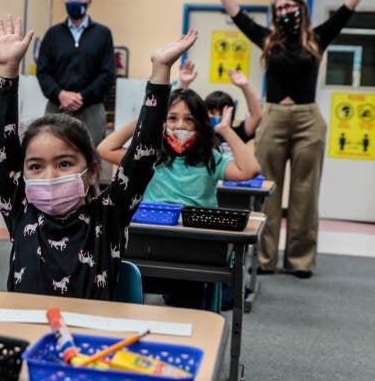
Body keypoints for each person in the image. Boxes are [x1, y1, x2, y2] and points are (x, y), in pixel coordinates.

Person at [201, 0, 375, 278]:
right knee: (268, 190)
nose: (284, 12)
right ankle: (263, 259)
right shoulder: (267, 39)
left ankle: (300, 260)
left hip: (308, 118)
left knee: (306, 191)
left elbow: (349, 8)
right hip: (273, 117)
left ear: (301, 10)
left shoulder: (317, 37)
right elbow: (236, 14)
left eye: (290, 7)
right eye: (279, 9)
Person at [0, 13, 197, 299]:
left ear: (91, 170)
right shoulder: (19, 208)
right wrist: (8, 68)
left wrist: (160, 72)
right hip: (30, 337)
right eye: (35, 166)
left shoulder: (109, 214)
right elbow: (1, 142)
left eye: (64, 163)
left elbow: (142, 155)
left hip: (94, 340)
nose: (49, 176)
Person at [97, 88, 260, 308]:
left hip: (194, 250)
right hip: (153, 245)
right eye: (172, 118)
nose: (180, 126)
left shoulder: (210, 159)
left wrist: (225, 130)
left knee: (187, 302)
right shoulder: (150, 156)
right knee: (128, 290)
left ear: (201, 125)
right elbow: (105, 149)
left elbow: (249, 170)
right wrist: (147, 117)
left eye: (189, 120)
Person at [36, 0, 115, 150]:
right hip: (57, 107)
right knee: (52, 153)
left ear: (89, 1)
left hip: (91, 109)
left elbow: (108, 74)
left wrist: (83, 96)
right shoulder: (53, 34)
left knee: (89, 157)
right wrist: (60, 94)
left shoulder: (102, 34)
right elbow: (43, 72)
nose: (73, 1)